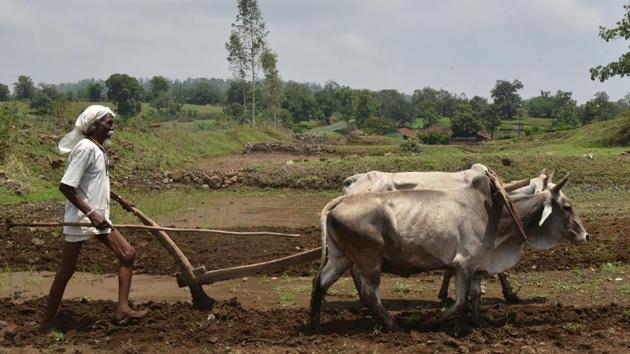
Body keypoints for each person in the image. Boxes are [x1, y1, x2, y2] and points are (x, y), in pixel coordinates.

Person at [41, 105, 147, 331]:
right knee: (67, 270)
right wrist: (91, 213)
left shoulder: (98, 149)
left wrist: (118, 198)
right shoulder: (85, 149)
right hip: (84, 218)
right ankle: (47, 322)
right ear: (94, 126)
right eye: (108, 123)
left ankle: (122, 309)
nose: (112, 127)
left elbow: (93, 183)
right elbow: (66, 186)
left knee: (127, 254)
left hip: (97, 218)